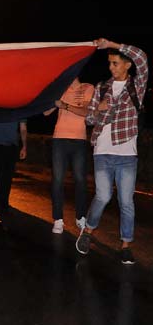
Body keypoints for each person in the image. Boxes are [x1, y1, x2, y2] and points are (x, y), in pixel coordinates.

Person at [76, 38, 148, 265]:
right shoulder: (102, 87)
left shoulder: (136, 86)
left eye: (115, 63)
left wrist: (112, 45)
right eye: (109, 63)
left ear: (127, 64)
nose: (111, 67)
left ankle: (126, 245)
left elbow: (142, 58)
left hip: (127, 154)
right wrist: (99, 109)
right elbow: (89, 119)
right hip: (103, 151)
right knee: (103, 195)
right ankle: (87, 231)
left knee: (126, 201)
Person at [43, 77, 93, 234]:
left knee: (80, 180)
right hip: (59, 138)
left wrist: (64, 105)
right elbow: (46, 112)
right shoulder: (60, 88)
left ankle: (80, 217)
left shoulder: (87, 86)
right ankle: (58, 219)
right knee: (57, 179)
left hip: (79, 139)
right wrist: (53, 97)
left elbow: (86, 111)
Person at [0, 119, 28, 217]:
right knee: (1, 174)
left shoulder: (20, 107)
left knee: (8, 176)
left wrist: (24, 147)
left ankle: (4, 203)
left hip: (12, 145)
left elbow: (23, 128)